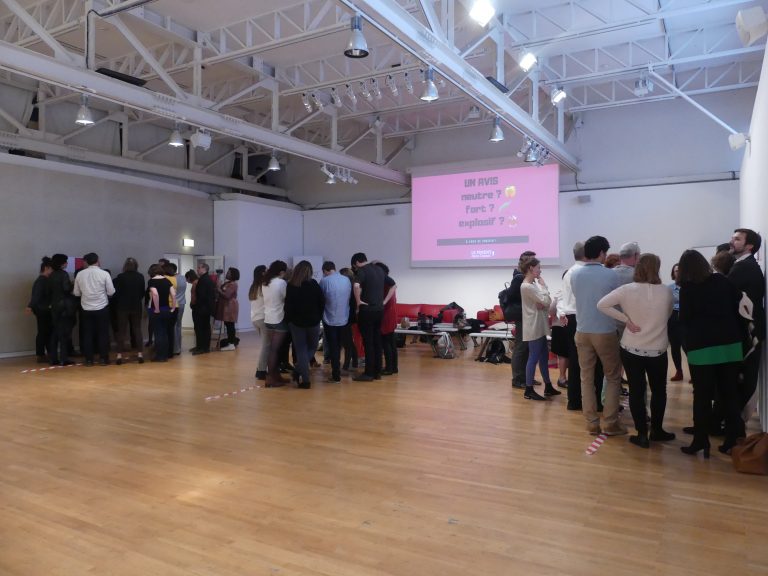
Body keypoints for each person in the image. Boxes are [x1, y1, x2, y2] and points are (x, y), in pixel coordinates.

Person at [597, 254, 675, 448]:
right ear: (657, 268)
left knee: (636, 391)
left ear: (638, 267)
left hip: (631, 348)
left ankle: (641, 435)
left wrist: (626, 320)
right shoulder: (666, 291)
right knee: (659, 391)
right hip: (657, 349)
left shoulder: (626, 290)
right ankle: (657, 430)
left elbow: (602, 304)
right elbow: (668, 314)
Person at [678, 249, 745, 458]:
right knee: (729, 393)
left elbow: (684, 319)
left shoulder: (687, 289)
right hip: (730, 344)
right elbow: (738, 304)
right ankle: (733, 439)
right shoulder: (722, 281)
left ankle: (701, 440)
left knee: (702, 396)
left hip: (701, 347)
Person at [570, 236, 625, 436]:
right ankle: (610, 423)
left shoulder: (575, 274)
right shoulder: (611, 275)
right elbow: (616, 302)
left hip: (582, 331)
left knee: (586, 378)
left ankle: (592, 423)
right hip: (605, 331)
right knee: (612, 377)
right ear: (602, 253)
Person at [728, 228, 765, 421]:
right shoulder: (744, 265)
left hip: (748, 331)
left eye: (737, 239)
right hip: (747, 329)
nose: (731, 241)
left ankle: (737, 424)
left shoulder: (744, 267)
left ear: (749, 245)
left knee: (743, 377)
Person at [519, 257, 556, 401]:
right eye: (538, 268)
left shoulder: (532, 285)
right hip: (533, 326)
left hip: (538, 324)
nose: (540, 270)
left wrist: (543, 303)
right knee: (533, 357)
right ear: (531, 268)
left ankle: (548, 386)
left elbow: (545, 304)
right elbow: (546, 301)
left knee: (543, 356)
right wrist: (544, 287)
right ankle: (528, 390)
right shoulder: (527, 286)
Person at [284, 260, 324, 388]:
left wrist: (289, 320)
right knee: (313, 347)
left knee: (300, 349)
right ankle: (299, 370)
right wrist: (319, 316)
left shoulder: (291, 286)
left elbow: (287, 306)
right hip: (313, 322)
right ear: (310, 272)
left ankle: (305, 380)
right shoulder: (314, 284)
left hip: (296, 323)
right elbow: (322, 302)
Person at [73, 252, 115, 366]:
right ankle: (103, 359)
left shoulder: (80, 274)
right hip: (102, 307)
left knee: (87, 334)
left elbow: (76, 293)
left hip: (86, 308)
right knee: (103, 333)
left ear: (86, 262)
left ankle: (89, 360)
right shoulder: (104, 273)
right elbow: (111, 291)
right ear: (97, 260)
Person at [557, 242, 585, 410]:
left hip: (571, 318)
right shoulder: (580, 272)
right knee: (579, 361)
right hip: (578, 317)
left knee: (575, 361)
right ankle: (577, 400)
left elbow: (562, 297)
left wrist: (562, 313)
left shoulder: (569, 272)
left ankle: (574, 400)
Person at [351, 252, 385, 382]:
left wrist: (358, 301)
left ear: (356, 263)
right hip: (379, 310)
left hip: (367, 311)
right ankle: (377, 372)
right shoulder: (379, 270)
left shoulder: (362, 271)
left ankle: (369, 373)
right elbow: (392, 284)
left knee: (368, 342)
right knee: (377, 341)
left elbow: (356, 285)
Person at [506, 251, 536, 389]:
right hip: (522, 316)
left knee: (527, 347)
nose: (535, 263)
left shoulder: (525, 276)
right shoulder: (518, 278)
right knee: (521, 347)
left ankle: (527, 376)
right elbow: (511, 296)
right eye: (533, 260)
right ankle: (518, 379)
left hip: (528, 315)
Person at [319, 261, 351, 383]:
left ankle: (336, 374)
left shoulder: (324, 281)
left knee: (333, 347)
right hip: (344, 318)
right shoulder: (346, 280)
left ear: (325, 271)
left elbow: (321, 298)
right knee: (340, 345)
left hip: (329, 318)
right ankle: (339, 370)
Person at [262, 260, 290, 388]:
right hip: (279, 318)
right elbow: (286, 298)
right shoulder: (281, 282)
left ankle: (276, 376)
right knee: (275, 350)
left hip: (268, 318)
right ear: (281, 272)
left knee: (272, 349)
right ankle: (270, 378)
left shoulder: (265, 282)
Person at [113, 257, 145, 365]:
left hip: (122, 307)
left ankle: (119, 355)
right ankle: (140, 354)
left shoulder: (120, 277)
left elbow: (116, 293)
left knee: (121, 331)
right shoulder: (140, 276)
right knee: (137, 329)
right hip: (136, 306)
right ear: (136, 266)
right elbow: (142, 292)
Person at [48, 254, 75, 366]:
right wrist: (72, 284)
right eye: (65, 261)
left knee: (55, 333)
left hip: (54, 306)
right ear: (62, 263)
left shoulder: (51, 275)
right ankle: (64, 358)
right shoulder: (64, 274)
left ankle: (53, 358)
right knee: (64, 333)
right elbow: (66, 289)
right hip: (64, 307)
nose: (67, 263)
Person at [147, 263, 176, 362]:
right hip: (166, 309)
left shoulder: (152, 281)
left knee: (158, 333)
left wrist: (156, 308)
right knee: (164, 333)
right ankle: (165, 355)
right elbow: (173, 294)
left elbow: (155, 294)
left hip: (156, 310)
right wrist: (173, 307)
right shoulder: (167, 280)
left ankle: (160, 356)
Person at [26, 257, 53, 363]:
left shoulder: (43, 280)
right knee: (44, 332)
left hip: (43, 309)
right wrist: (30, 306)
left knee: (45, 332)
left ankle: (46, 354)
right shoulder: (42, 281)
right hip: (43, 310)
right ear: (46, 268)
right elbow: (36, 296)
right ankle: (41, 354)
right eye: (51, 269)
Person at [376, 262, 398, 376]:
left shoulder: (384, 283)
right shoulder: (389, 282)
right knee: (391, 342)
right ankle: (393, 367)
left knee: (386, 342)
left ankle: (389, 368)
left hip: (386, 315)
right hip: (391, 314)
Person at [191, 262, 216, 355]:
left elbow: (202, 295)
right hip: (206, 308)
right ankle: (204, 347)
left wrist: (195, 305)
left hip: (201, 308)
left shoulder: (203, 280)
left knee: (200, 328)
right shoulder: (207, 279)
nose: (197, 269)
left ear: (204, 269)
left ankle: (201, 347)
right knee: (205, 328)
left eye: (199, 268)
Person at [249, 265, 268, 380]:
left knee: (265, 345)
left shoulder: (254, 286)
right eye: (266, 271)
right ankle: (261, 370)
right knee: (266, 346)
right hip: (263, 318)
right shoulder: (264, 286)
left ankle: (263, 369)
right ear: (262, 273)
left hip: (255, 318)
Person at [339, 267, 359, 371]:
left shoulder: (349, 288)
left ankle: (346, 365)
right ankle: (354, 361)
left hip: (346, 316)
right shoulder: (352, 287)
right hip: (349, 316)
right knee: (348, 341)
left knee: (346, 342)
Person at [667, 263, 684, 382]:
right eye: (676, 271)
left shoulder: (690, 286)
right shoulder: (669, 288)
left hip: (686, 318)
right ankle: (679, 371)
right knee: (675, 346)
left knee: (687, 346)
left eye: (680, 270)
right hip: (673, 317)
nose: (678, 272)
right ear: (673, 273)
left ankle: (694, 372)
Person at [216, 267, 240, 351]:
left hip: (230, 306)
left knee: (230, 325)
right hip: (226, 306)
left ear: (233, 275)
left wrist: (218, 289)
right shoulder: (227, 283)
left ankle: (231, 344)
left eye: (229, 272)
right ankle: (231, 342)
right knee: (228, 324)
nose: (227, 273)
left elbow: (227, 295)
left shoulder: (233, 284)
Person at [171, 263, 187, 356]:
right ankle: (178, 347)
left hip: (174, 304)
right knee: (178, 325)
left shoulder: (172, 279)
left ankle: (175, 348)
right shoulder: (183, 278)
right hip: (182, 303)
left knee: (173, 325)